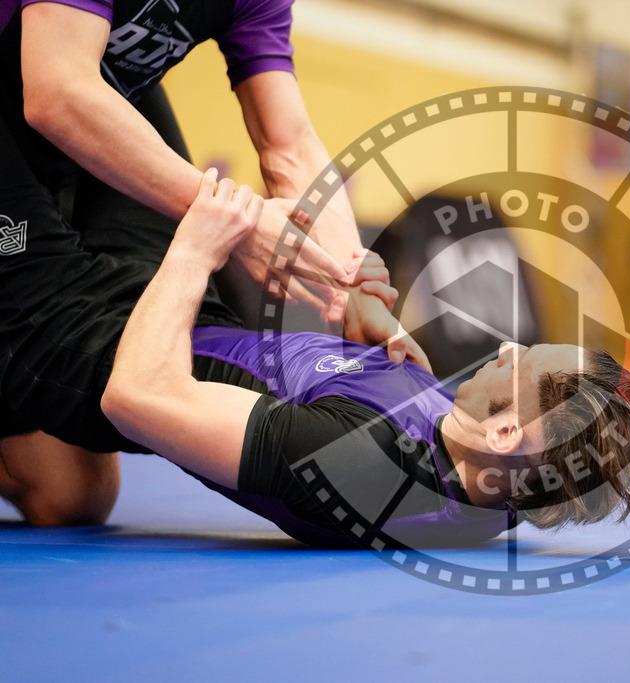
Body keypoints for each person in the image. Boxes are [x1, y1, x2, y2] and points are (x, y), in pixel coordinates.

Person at [0, 153, 630, 546]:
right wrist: (360, 321)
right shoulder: (500, 486)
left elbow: (134, 395)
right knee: (74, 499)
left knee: (56, 101)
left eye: (524, 361)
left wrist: (200, 247)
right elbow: (569, 461)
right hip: (180, 310)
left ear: (507, 429)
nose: (508, 349)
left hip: (78, 336)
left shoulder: (354, 462)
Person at [0, 0, 395, 518]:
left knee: (71, 495)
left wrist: (348, 286)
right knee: (54, 339)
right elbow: (56, 92)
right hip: (57, 95)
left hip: (93, 104)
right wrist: (237, 220)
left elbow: (289, 145)